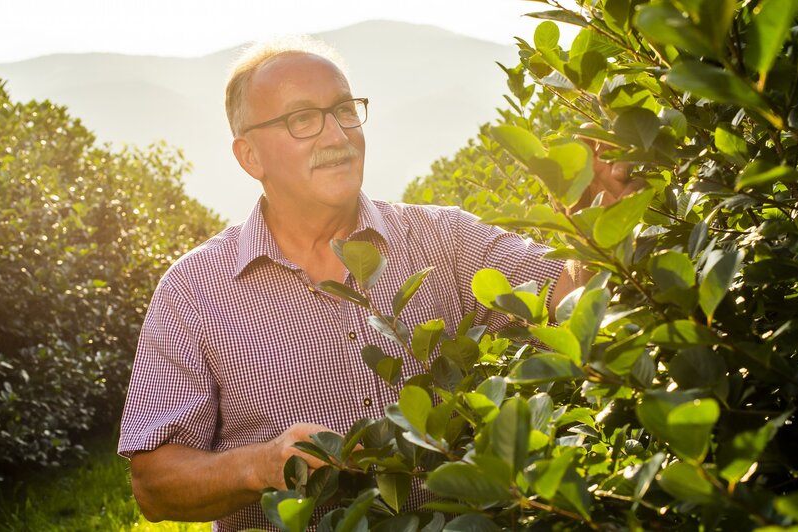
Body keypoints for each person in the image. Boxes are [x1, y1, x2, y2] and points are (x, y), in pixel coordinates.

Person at [118, 37, 633, 531]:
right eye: (302, 119)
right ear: (249, 157)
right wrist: (262, 465)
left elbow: (566, 300)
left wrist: (605, 226)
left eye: (345, 110)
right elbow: (154, 485)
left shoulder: (444, 239)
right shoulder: (192, 290)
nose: (338, 136)